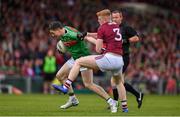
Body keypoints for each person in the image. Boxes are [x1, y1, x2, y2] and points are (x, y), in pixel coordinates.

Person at [56, 9, 129, 113]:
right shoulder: (115, 26)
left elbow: (98, 49)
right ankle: (125, 108)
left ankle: (66, 86)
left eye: (99, 19)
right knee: (119, 82)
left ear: (104, 19)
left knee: (80, 64)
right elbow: (106, 38)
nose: (98, 21)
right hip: (119, 59)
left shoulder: (102, 27)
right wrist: (88, 35)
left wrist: (101, 48)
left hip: (107, 58)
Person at [48, 21, 118, 112]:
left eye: (53, 33)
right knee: (59, 75)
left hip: (84, 59)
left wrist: (81, 37)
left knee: (88, 84)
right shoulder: (64, 30)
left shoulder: (71, 34)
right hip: (74, 58)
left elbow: (80, 36)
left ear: (57, 30)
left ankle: (111, 101)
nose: (53, 35)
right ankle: (73, 99)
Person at [111, 10, 144, 108]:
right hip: (115, 57)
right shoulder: (111, 28)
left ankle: (115, 103)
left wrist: (126, 40)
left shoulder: (126, 28)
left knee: (115, 81)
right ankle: (138, 95)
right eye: (113, 18)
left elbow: (137, 38)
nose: (114, 19)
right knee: (119, 82)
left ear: (121, 18)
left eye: (116, 17)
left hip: (123, 57)